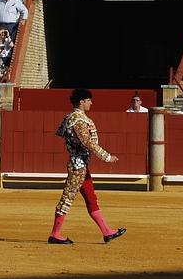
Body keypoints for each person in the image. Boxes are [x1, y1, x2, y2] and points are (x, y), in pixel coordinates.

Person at [48, 89, 126, 245]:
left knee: (91, 198)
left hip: (81, 165)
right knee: (67, 198)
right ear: (81, 102)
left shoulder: (70, 118)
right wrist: (107, 156)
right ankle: (55, 234)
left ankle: (107, 232)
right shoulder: (78, 120)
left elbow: (62, 133)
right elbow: (88, 143)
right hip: (78, 166)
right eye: (89, 100)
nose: (91, 103)